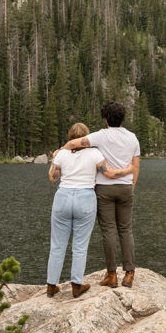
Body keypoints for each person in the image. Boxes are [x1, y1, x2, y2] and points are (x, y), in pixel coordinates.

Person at [47, 122, 131, 298]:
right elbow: (108, 173)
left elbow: (52, 178)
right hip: (85, 198)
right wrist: (128, 170)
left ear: (70, 137)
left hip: (63, 197)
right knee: (80, 245)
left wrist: (55, 158)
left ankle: (51, 286)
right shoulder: (94, 153)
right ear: (86, 137)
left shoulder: (62, 153)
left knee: (57, 245)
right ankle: (76, 285)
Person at [61, 102, 140, 288]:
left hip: (104, 189)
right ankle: (129, 274)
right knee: (126, 230)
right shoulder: (132, 138)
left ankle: (111, 275)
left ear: (105, 119)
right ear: (122, 119)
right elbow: (135, 165)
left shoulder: (100, 136)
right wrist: (131, 186)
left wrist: (60, 152)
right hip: (125, 187)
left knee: (108, 231)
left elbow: (73, 143)